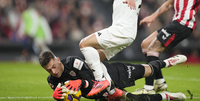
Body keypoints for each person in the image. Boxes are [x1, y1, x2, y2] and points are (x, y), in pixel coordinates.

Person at [133, 0, 200, 94]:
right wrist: (153, 16)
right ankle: (160, 82)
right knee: (145, 44)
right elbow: (170, 3)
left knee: (153, 48)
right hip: (175, 22)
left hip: (183, 24)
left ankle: (148, 88)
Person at [79, 0, 146, 97]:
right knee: (93, 59)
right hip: (125, 33)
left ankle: (101, 81)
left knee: (83, 44)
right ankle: (112, 92)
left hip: (122, 31)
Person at [39, 50, 187, 101]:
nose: (53, 72)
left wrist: (80, 83)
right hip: (103, 95)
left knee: (149, 70)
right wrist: (57, 97)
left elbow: (92, 82)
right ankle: (166, 96)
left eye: (53, 67)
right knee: (135, 100)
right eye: (49, 70)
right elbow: (71, 97)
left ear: (57, 60)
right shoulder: (52, 81)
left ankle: (167, 62)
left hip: (112, 74)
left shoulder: (73, 62)